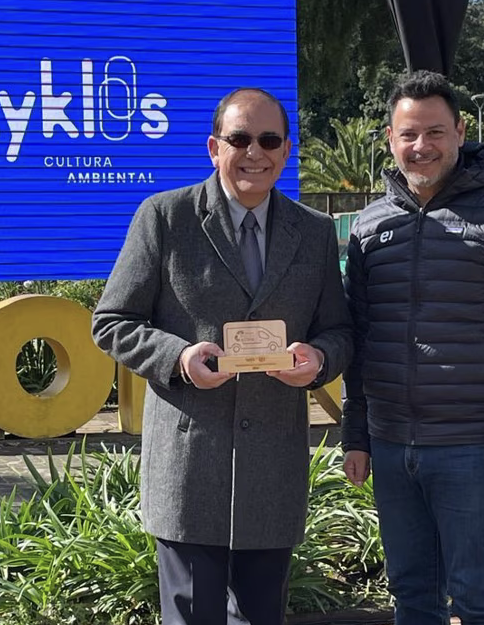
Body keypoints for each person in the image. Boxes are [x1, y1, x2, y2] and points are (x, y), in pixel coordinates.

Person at [92, 88, 354, 625]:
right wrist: (178, 357)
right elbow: (112, 322)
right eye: (240, 139)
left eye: (269, 140)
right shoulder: (165, 217)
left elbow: (339, 330)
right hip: (190, 468)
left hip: (273, 468)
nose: (254, 152)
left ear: (286, 151)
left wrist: (320, 358)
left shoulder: (314, 231)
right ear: (214, 148)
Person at [341, 71, 484, 625]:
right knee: (411, 597)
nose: (421, 146)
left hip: (476, 447)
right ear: (391, 140)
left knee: (479, 599)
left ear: (461, 132)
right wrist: (358, 435)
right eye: (408, 134)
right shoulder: (369, 226)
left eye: (435, 132)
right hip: (392, 447)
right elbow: (359, 338)